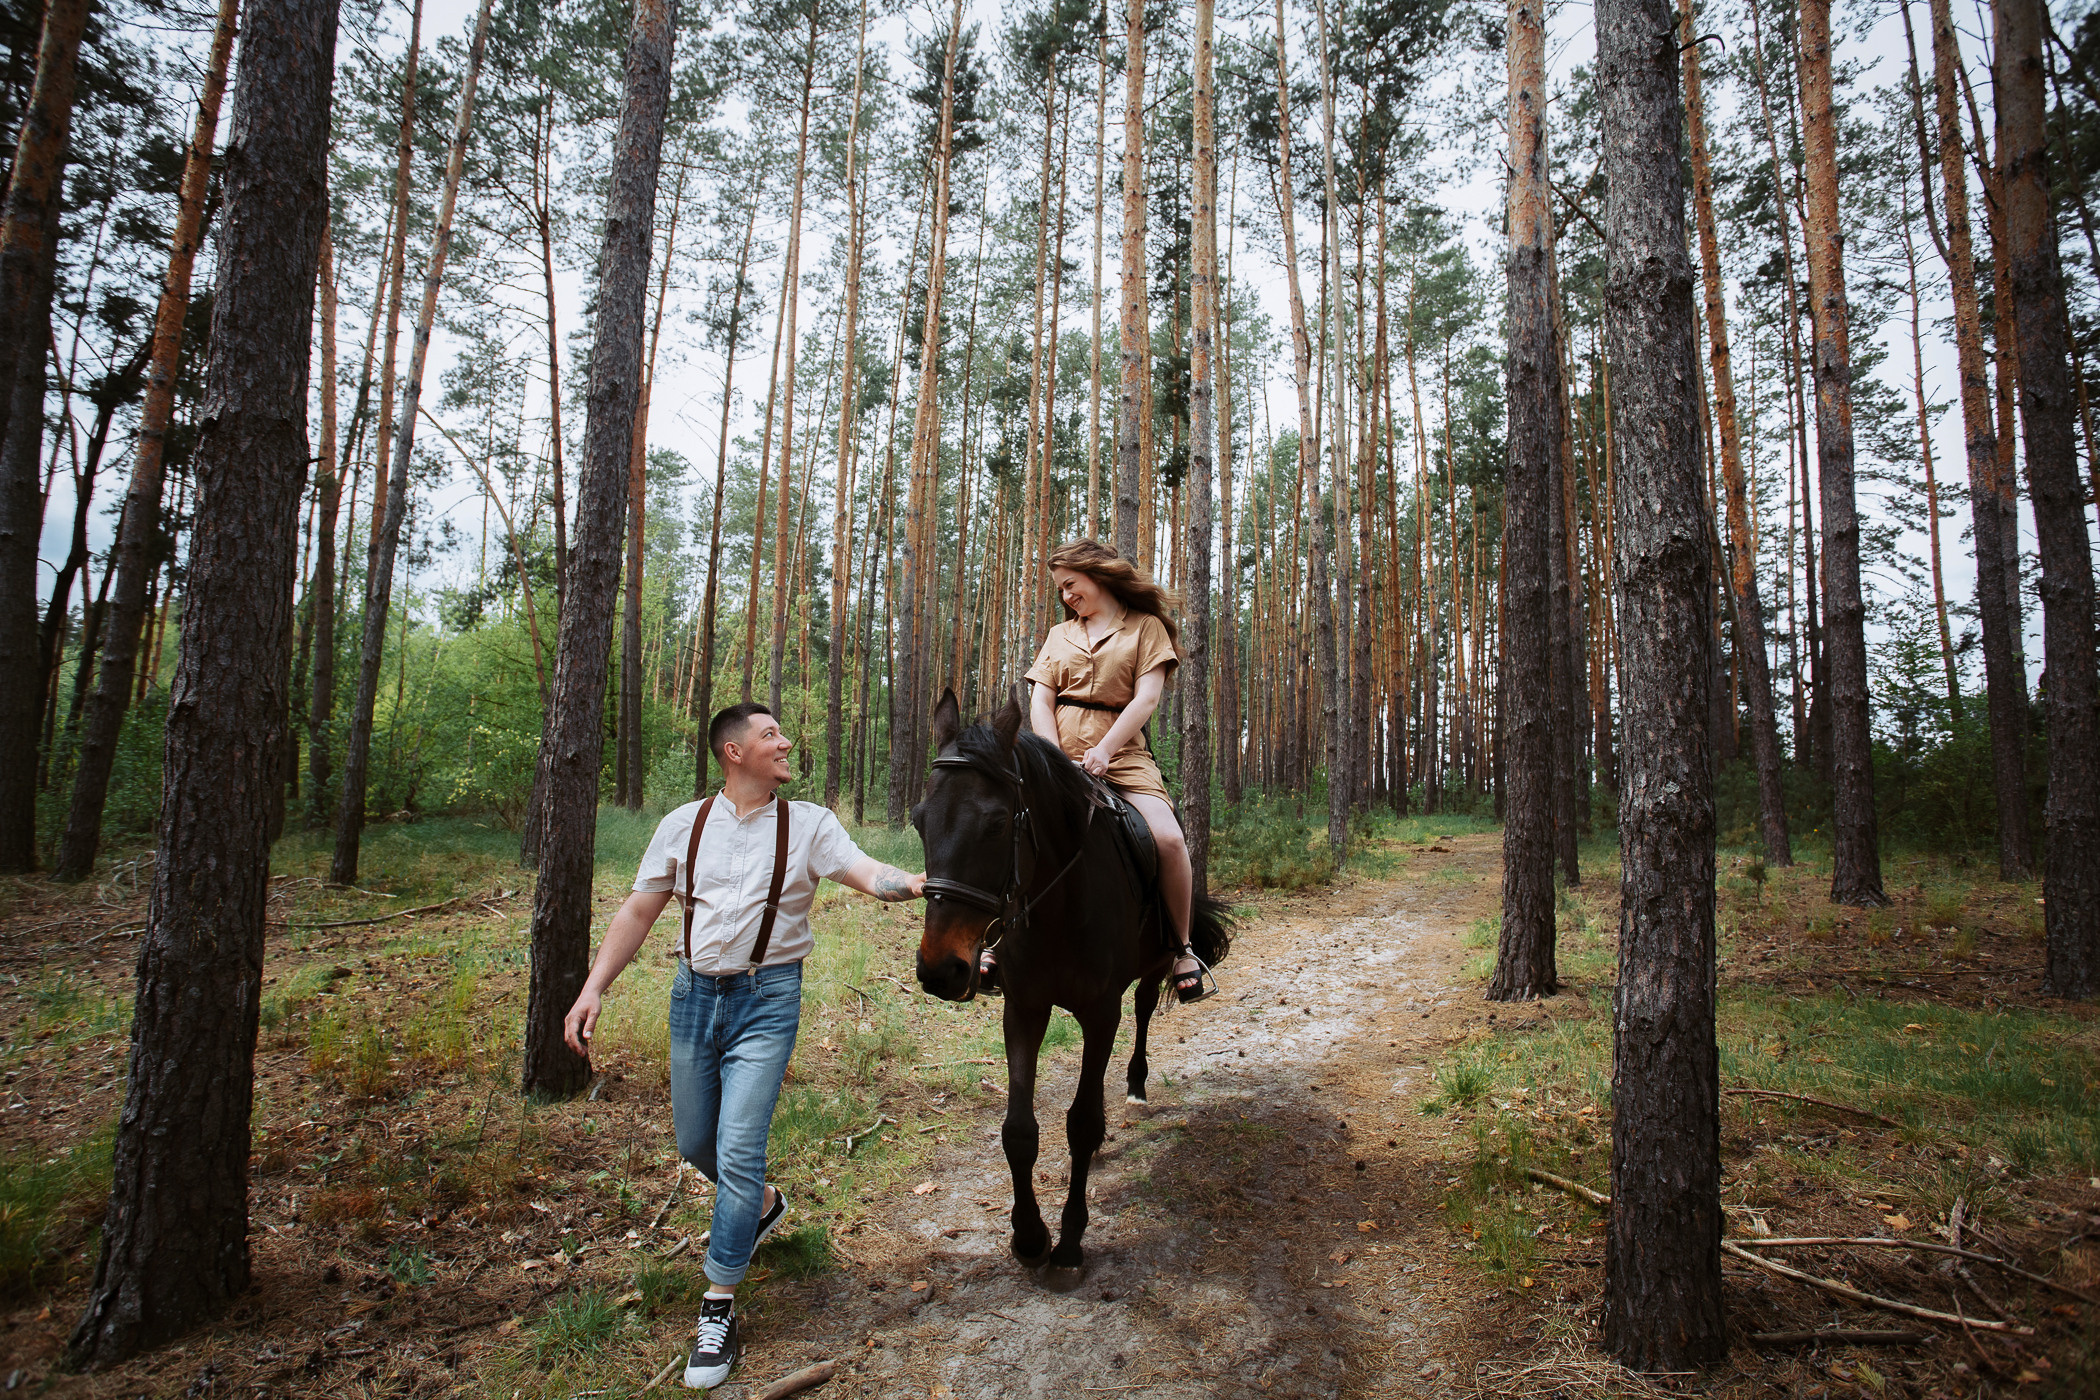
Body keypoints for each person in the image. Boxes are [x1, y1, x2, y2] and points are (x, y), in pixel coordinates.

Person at [562, 702, 925, 1391]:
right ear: (734, 752)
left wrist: (908, 882)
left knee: (736, 1150)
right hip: (693, 997)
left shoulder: (809, 824)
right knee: (695, 1141)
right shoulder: (683, 824)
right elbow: (639, 908)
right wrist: (593, 988)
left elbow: (863, 870)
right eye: (770, 735)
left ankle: (717, 1308)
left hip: (768, 999)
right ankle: (761, 1205)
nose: (785, 743)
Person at [986, 537, 1217, 1004]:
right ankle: (993, 940)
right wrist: (1053, 759)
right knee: (1002, 829)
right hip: (1056, 757)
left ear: (1098, 575)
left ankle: (1182, 949)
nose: (1066, 595)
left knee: (1169, 839)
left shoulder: (1146, 627)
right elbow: (1041, 700)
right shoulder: (1059, 634)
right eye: (1060, 589)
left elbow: (1146, 699)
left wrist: (1105, 750)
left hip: (1124, 758)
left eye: (1071, 584)